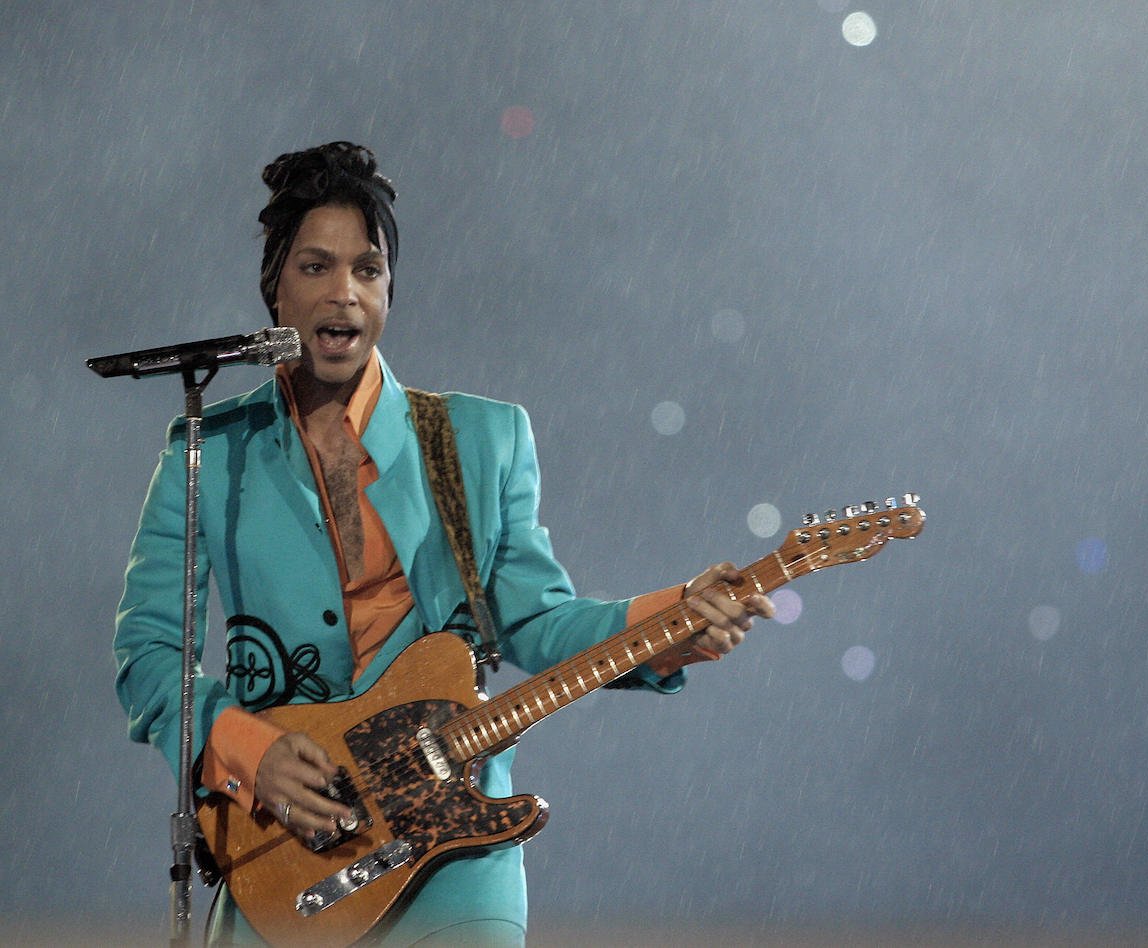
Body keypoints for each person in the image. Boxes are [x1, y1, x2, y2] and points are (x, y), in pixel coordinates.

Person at [113, 141, 773, 946]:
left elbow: (536, 622)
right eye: (317, 267)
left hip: (453, 839)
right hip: (283, 847)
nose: (346, 293)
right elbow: (149, 655)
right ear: (274, 291)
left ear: (391, 287)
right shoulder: (209, 450)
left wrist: (675, 623)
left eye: (369, 269)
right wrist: (248, 750)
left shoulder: (479, 438)